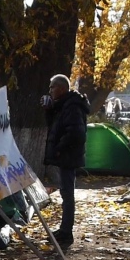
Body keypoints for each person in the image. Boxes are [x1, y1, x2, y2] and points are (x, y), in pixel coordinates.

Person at [42, 74, 90, 245]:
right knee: (65, 193)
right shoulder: (64, 105)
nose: (50, 91)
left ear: (61, 88)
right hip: (67, 156)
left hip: (68, 157)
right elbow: (55, 126)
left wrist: (59, 150)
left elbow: (76, 133)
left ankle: (66, 232)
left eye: (52, 87)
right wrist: (49, 110)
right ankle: (64, 229)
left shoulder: (72, 106)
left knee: (67, 194)